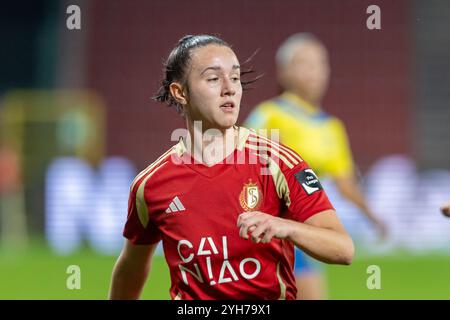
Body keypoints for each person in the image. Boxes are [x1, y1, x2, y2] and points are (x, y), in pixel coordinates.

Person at [109, 34, 354, 300]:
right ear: (180, 92)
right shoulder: (151, 185)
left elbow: (342, 249)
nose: (229, 88)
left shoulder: (279, 163)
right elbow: (130, 270)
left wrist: (285, 227)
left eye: (235, 78)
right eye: (213, 79)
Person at [244, 33, 386, 300]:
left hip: (306, 228)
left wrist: (373, 217)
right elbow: (239, 160)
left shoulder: (332, 127)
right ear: (284, 72)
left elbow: (345, 184)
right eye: (304, 64)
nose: (314, 72)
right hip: (269, 228)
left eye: (320, 64)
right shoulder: (271, 114)